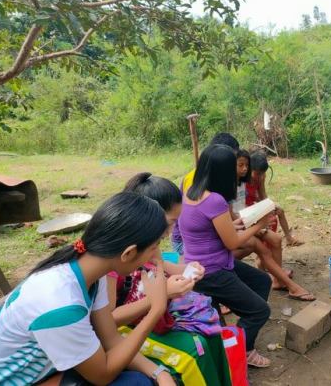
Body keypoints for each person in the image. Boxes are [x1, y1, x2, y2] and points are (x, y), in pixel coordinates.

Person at [0, 193, 176, 385]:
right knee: (135, 383)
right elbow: (102, 375)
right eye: (154, 247)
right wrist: (156, 309)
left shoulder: (90, 271)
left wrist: (159, 373)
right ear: (128, 253)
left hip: (45, 369)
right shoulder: (61, 304)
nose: (156, 256)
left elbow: (111, 339)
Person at [106, 172, 231, 385]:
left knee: (211, 332)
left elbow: (162, 266)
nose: (171, 231)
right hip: (127, 327)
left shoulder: (148, 242)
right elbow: (108, 322)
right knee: (195, 349)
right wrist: (162, 295)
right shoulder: (113, 262)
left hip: (154, 314)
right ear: (148, 216)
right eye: (171, 222)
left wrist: (188, 269)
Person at [177, 144, 273, 368]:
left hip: (198, 265)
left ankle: (238, 331)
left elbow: (213, 228)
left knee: (261, 280)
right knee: (260, 311)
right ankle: (242, 349)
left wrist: (239, 223)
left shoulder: (191, 193)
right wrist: (260, 223)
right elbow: (232, 243)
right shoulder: (215, 200)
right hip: (212, 271)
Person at [233, 150, 315, 301]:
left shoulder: (255, 178)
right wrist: (257, 225)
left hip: (249, 216)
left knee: (275, 234)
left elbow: (262, 196)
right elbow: (235, 214)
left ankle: (278, 278)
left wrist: (268, 207)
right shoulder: (234, 183)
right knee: (264, 246)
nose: (244, 169)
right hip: (244, 220)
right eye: (241, 165)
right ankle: (278, 276)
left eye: (245, 166)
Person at [171, 132, 241, 255]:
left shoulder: (209, 184)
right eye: (232, 163)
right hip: (187, 243)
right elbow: (232, 243)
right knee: (252, 243)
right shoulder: (202, 190)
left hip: (202, 238)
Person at [247, 150, 304, 246]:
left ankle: (289, 239)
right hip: (245, 209)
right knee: (271, 219)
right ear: (250, 169)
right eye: (257, 174)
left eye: (262, 173)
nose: (260, 176)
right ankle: (266, 245)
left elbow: (262, 194)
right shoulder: (243, 179)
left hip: (254, 205)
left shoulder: (261, 176)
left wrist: (269, 206)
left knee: (279, 211)